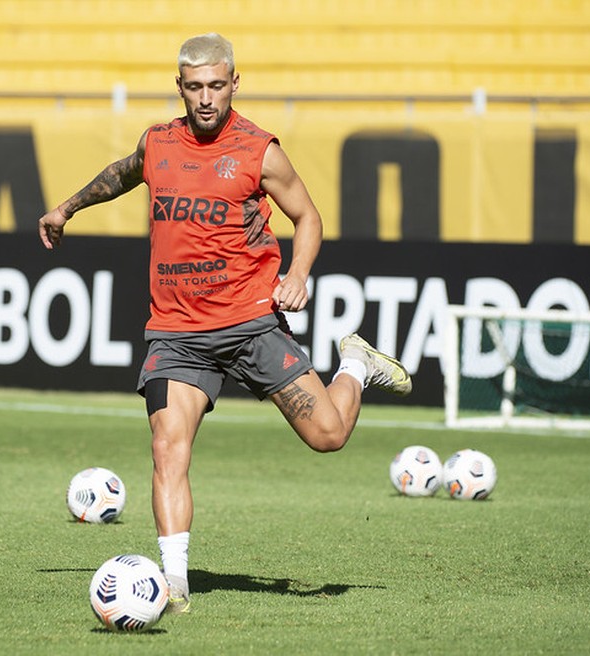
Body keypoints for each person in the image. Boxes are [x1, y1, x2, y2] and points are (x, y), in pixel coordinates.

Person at [37, 33, 411, 614]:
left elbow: (308, 217)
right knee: (168, 447)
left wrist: (300, 273)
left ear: (235, 83)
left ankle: (356, 365)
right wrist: (67, 207)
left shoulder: (260, 151)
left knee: (329, 436)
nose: (206, 98)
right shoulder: (159, 143)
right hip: (177, 333)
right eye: (194, 88)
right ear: (180, 88)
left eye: (216, 85)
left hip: (250, 325)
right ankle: (174, 584)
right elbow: (124, 171)